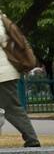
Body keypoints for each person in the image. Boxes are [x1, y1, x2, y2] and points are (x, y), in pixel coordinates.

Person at [0, 12, 41, 146]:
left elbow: (2, 37)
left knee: (12, 108)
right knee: (11, 107)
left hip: (3, 74)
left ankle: (32, 140)